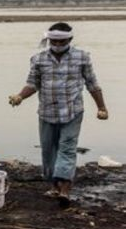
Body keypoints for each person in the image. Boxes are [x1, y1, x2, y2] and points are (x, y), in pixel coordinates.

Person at [9, 22, 108, 208]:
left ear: (70, 39)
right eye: (54, 41)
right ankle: (54, 186)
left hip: (73, 111)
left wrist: (101, 107)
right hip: (47, 112)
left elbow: (92, 83)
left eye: (62, 42)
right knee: (48, 150)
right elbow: (33, 84)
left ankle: (65, 190)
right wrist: (20, 96)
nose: (57, 45)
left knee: (67, 148)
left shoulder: (82, 57)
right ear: (49, 40)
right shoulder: (38, 59)